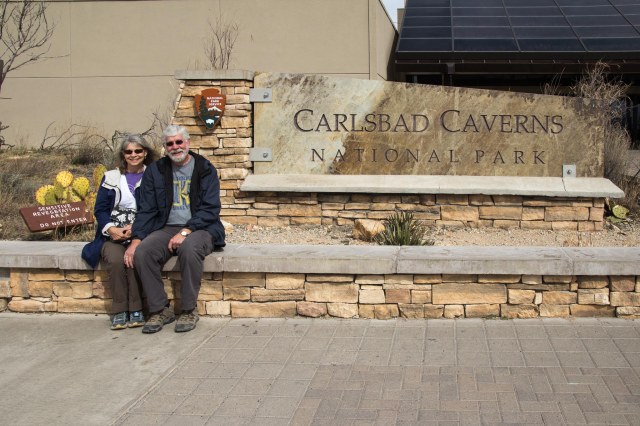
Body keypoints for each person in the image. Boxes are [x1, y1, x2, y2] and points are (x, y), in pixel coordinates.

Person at [124, 125, 225, 333]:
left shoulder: (204, 168)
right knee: (143, 252)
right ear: (165, 147)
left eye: (179, 142)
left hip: (201, 228)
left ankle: (189, 309)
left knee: (190, 249)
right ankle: (160, 309)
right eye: (170, 143)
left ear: (187, 143)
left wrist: (186, 231)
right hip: (166, 227)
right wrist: (136, 240)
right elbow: (147, 209)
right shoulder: (156, 170)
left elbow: (210, 208)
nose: (175, 147)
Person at [81, 134, 158, 330]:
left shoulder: (153, 175)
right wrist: (111, 229)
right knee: (115, 260)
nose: (133, 155)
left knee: (133, 259)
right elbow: (100, 209)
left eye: (138, 151)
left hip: (141, 232)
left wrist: (136, 230)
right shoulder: (111, 177)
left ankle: (136, 308)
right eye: (129, 151)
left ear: (145, 152)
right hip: (113, 233)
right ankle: (119, 310)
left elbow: (156, 208)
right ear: (123, 155)